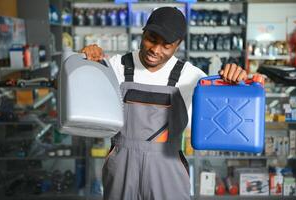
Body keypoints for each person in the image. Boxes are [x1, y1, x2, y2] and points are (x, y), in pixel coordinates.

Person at [82, 7, 247, 200]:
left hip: (168, 167)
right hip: (122, 166)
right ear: (143, 33)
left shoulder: (192, 76)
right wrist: (86, 61)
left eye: (166, 45)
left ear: (178, 44)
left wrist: (237, 80)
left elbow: (230, 115)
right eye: (151, 39)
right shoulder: (117, 66)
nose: (155, 49)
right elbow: (78, 89)